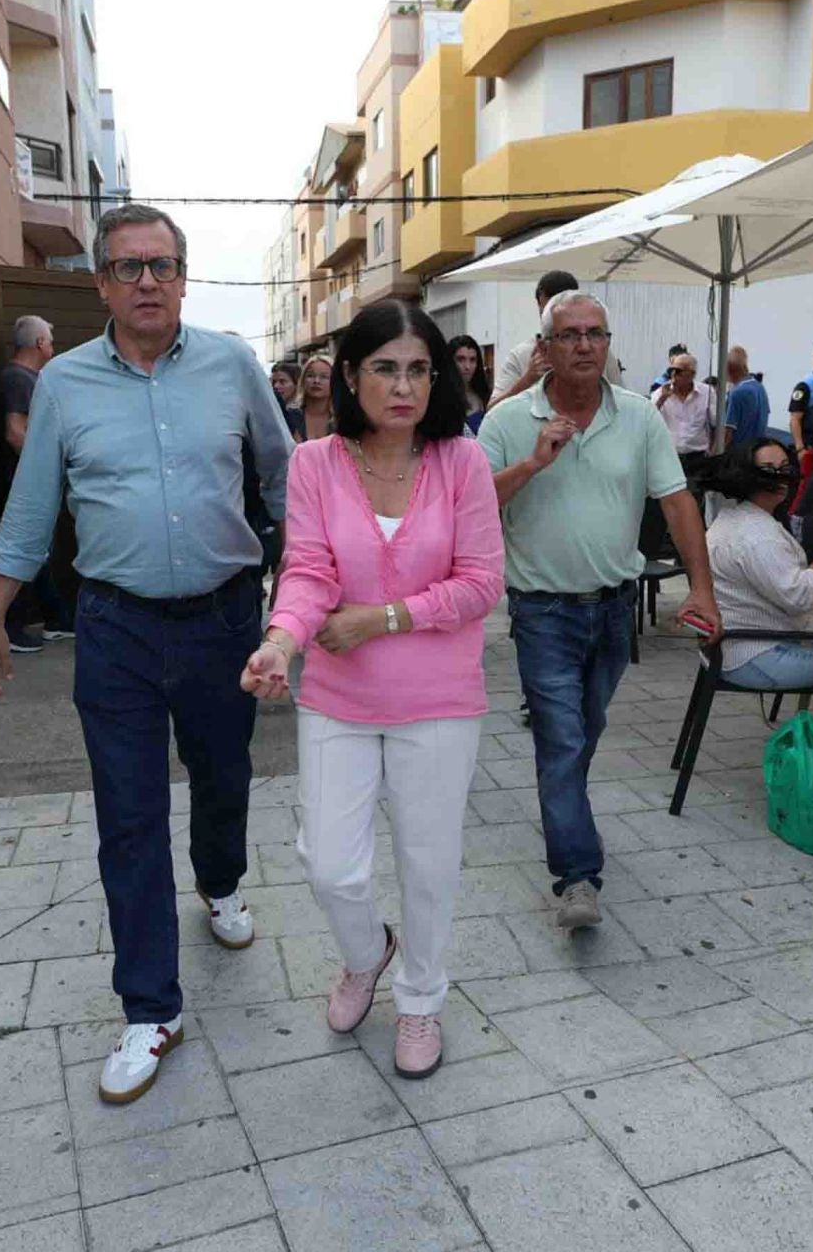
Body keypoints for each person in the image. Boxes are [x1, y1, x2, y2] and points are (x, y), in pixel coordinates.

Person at [0, 204, 295, 1106]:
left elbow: (283, 478)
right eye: (127, 268)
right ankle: (151, 1007)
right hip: (114, 628)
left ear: (185, 277)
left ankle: (222, 884)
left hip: (224, 619)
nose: (146, 281)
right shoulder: (65, 385)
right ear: (101, 284)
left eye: (161, 265)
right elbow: (33, 511)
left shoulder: (233, 365)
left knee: (223, 772)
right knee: (128, 815)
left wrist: (303, 591)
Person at [241, 302, 503, 1079]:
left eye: (418, 368)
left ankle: (420, 1001)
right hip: (339, 698)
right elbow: (310, 571)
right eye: (385, 368)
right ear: (351, 376)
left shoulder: (463, 463)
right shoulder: (316, 463)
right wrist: (281, 641)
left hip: (439, 700)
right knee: (330, 865)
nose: (404, 385)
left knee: (429, 864)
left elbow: (483, 582)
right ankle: (368, 954)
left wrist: (385, 617)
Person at [478, 291, 722, 930]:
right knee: (561, 739)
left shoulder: (641, 418)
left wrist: (702, 589)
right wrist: (534, 461)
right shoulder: (506, 423)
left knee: (583, 732)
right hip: (542, 612)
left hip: (614, 611)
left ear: (608, 344)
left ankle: (567, 812)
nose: (584, 345)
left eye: (595, 334)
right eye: (569, 335)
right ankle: (578, 875)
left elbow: (676, 503)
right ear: (546, 349)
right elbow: (469, 505)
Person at [705, 439, 813, 689]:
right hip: (757, 655)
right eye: (769, 470)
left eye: (785, 468)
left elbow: (778, 581)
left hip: (742, 646)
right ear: (746, 475)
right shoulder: (757, 535)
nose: (780, 478)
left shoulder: (735, 515)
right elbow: (798, 598)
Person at [0, 315, 72, 653]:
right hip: (24, 484)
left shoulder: (33, 377)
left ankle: (56, 619)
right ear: (40, 343)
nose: (52, 347)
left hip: (38, 482)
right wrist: (46, 466)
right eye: (50, 341)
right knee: (31, 552)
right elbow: (15, 431)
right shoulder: (17, 377)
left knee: (45, 554)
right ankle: (12, 627)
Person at [488, 270, 624, 405]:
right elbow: (493, 409)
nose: (583, 347)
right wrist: (527, 379)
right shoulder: (521, 355)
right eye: (567, 336)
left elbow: (621, 401)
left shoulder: (599, 354)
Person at [653, 349, 717, 482]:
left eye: (679, 371)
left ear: (692, 374)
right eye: (672, 371)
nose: (674, 375)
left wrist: (713, 451)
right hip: (669, 457)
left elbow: (716, 423)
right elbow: (647, 419)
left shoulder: (707, 393)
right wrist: (662, 399)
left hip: (697, 458)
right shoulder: (661, 393)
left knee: (695, 496)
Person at [723, 345, 770, 445]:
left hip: (739, 452)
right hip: (758, 448)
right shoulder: (760, 388)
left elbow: (728, 431)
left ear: (728, 370)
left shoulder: (736, 393)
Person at [446, 333, 491, 434]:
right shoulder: (441, 397)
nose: (467, 366)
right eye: (461, 359)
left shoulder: (483, 395)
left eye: (472, 360)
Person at [299, 354, 335, 442]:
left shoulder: (343, 417)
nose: (316, 381)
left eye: (324, 377)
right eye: (310, 375)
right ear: (303, 380)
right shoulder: (290, 415)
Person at [271, 359, 307, 442]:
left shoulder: (303, 412)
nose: (276, 386)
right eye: (274, 382)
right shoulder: (275, 411)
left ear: (297, 383)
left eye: (282, 381)